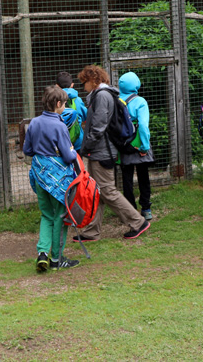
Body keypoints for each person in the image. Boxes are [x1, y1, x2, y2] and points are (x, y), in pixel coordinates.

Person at [73, 65, 150, 242]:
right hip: (100, 151)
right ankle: (92, 231)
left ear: (93, 80)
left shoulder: (102, 96)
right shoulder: (103, 95)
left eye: (84, 82)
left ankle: (138, 222)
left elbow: (98, 127)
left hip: (102, 152)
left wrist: (85, 148)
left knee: (108, 191)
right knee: (98, 192)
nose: (83, 87)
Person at [23, 85, 80, 272]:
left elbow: (27, 150)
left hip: (40, 176)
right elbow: (69, 156)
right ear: (58, 103)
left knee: (46, 215)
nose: (65, 107)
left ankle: (42, 253)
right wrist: (72, 151)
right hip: (58, 180)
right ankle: (56, 258)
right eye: (64, 104)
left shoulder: (34, 123)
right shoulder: (60, 125)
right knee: (60, 217)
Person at [118, 71, 154, 219]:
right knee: (143, 176)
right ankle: (146, 208)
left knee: (126, 179)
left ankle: (130, 211)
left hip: (123, 144)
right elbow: (143, 126)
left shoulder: (116, 101)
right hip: (138, 143)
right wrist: (145, 146)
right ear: (136, 85)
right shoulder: (140, 102)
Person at [56, 71, 88, 152]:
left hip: (59, 142)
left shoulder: (54, 100)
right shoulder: (78, 100)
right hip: (77, 141)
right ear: (72, 85)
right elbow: (85, 116)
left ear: (57, 86)